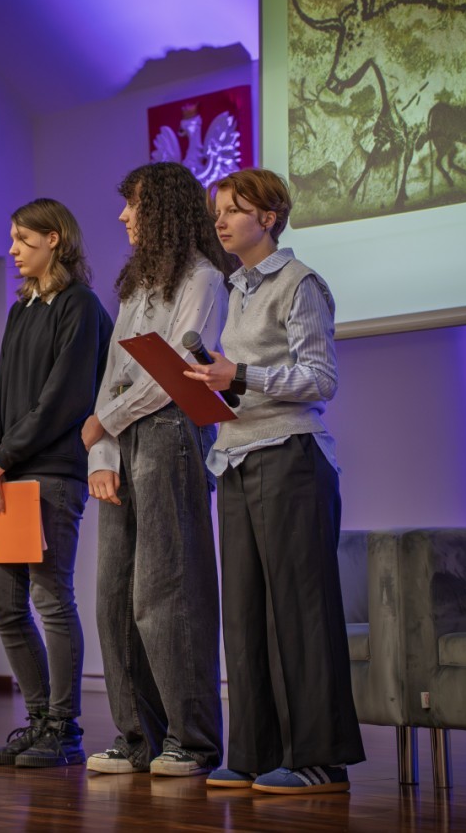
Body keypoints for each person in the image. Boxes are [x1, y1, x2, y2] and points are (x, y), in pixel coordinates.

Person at [184, 167, 365, 794]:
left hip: (291, 458)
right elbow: (243, 381)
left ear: (268, 217)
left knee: (301, 611)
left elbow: (320, 379)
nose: (221, 221)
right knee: (244, 614)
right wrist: (210, 386)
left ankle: (320, 759)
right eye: (217, 212)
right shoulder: (236, 289)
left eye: (234, 210)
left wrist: (239, 376)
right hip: (236, 457)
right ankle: (255, 753)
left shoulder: (299, 283)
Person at [82, 161, 234, 777]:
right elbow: (112, 374)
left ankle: (190, 740)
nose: (123, 215)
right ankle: (136, 737)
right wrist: (100, 452)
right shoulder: (135, 286)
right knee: (115, 596)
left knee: (166, 592)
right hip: (122, 439)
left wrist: (106, 422)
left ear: (164, 210)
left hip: (171, 433)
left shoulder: (204, 279)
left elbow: (174, 373)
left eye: (134, 204)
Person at [0, 198, 113, 769]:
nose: (12, 250)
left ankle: (65, 728)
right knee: (4, 605)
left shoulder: (79, 305)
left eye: (22, 240)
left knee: (51, 598)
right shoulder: (22, 308)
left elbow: (65, 399)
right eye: (12, 239)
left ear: (54, 239)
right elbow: (4, 394)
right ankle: (37, 723)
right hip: (6, 474)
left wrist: (5, 455)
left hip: (52, 473)